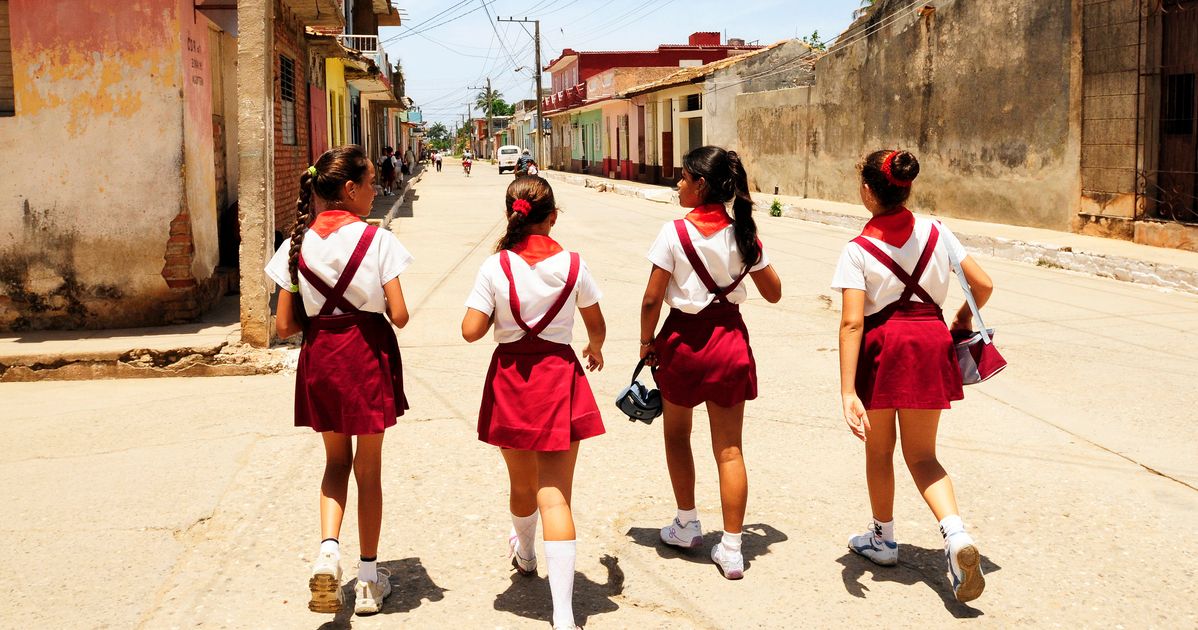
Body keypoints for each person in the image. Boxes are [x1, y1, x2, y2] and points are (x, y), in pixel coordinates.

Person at [832, 149, 994, 603]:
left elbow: (851, 322)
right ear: (906, 187)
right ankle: (956, 535)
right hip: (930, 343)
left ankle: (882, 539)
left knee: (880, 451)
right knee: (923, 456)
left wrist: (847, 390)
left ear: (868, 190)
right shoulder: (938, 232)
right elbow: (983, 285)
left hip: (884, 351)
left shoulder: (857, 249)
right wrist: (959, 321)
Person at [265, 146, 414, 616]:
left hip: (323, 359)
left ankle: (329, 552)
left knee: (335, 463)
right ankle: (368, 580)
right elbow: (401, 315)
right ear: (349, 190)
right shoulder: (378, 241)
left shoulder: (295, 245)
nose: (375, 191)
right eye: (370, 183)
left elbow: (284, 327)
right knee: (368, 469)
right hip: (366, 356)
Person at [462, 176, 606, 630]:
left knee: (521, 483)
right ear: (553, 217)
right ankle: (563, 613)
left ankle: (525, 554)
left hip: (511, 381)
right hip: (559, 377)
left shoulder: (495, 267)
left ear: (511, 214)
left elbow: (470, 330)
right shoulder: (574, 265)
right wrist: (595, 348)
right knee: (556, 495)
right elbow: (596, 324)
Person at [639, 145, 782, 580]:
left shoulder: (673, 234)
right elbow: (774, 291)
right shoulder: (743, 234)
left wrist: (646, 343)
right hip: (730, 343)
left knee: (678, 435)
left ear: (700, 185)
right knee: (730, 448)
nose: (678, 185)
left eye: (683, 178)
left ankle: (686, 523)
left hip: (683, 343)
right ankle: (734, 547)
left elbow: (651, 298)